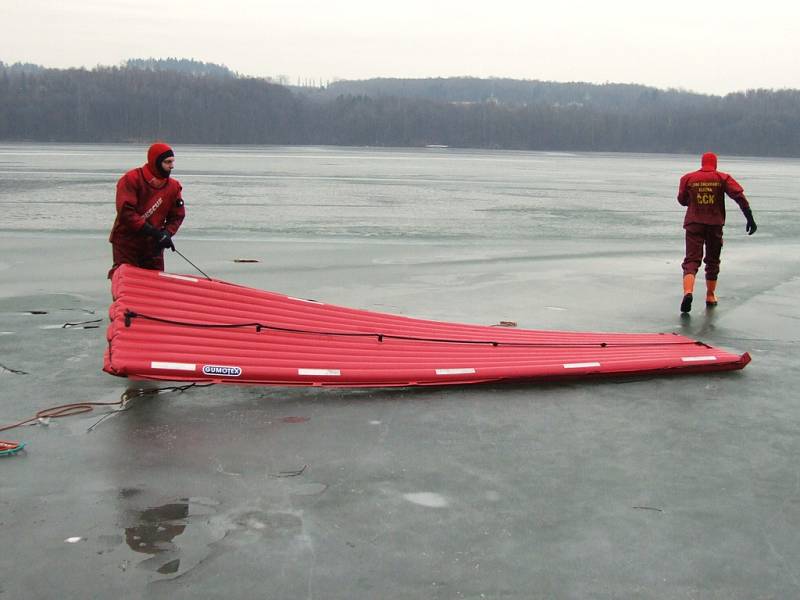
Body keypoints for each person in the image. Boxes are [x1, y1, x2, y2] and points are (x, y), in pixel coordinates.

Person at [677, 152, 756, 313]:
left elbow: (682, 200)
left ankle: (688, 292)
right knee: (712, 260)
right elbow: (739, 196)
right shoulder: (722, 178)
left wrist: (695, 199)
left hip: (693, 223)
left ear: (702, 162)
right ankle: (710, 295)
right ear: (715, 164)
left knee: (691, 260)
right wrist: (750, 218)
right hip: (714, 224)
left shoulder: (688, 178)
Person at [108, 142, 185, 278]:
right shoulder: (131, 180)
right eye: (167, 162)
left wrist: (167, 233)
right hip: (127, 242)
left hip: (153, 245)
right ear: (156, 161)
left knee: (155, 283)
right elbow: (126, 213)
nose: (171, 166)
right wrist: (153, 232)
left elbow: (177, 216)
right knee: (126, 280)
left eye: (172, 162)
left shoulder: (173, 186)